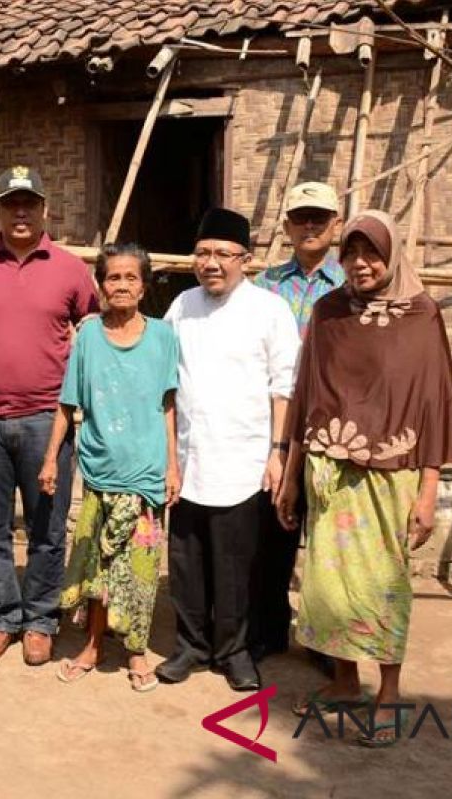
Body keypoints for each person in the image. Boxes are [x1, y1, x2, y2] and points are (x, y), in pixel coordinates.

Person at [277, 210, 452, 747]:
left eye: (371, 252)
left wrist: (428, 493)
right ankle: (343, 682)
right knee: (329, 586)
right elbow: (306, 397)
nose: (359, 263)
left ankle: (389, 694)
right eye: (351, 253)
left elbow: (435, 406)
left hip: (392, 476)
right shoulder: (329, 311)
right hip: (328, 472)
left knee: (384, 587)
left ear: (391, 254)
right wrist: (290, 478)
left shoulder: (422, 316)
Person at [0, 166, 99, 666]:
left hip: (46, 421)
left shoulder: (71, 269)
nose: (20, 212)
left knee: (46, 527)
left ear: (44, 210)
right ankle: (1, 618)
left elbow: (96, 329)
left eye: (29, 203)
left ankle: (39, 620)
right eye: (10, 203)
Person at [155, 208, 301, 692]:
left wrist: (278, 451)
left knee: (237, 566)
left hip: (245, 460)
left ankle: (233, 650)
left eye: (222, 253)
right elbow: (167, 385)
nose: (211, 263)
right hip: (191, 458)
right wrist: (170, 456)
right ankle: (191, 645)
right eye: (202, 253)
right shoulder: (181, 306)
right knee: (186, 563)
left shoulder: (269, 310)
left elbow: (285, 387)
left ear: (247, 260)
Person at [40, 243, 179, 692]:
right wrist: (50, 460)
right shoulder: (89, 338)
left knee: (140, 571)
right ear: (100, 284)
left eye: (130, 277)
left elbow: (168, 406)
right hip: (99, 473)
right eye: (113, 277)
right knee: (97, 569)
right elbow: (67, 405)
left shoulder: (162, 337)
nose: (121, 285)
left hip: (145, 475)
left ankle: (137, 651)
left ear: (144, 284)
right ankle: (95, 645)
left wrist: (173, 466)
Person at [248, 181, 345, 663]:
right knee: (273, 529)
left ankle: (324, 637)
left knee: (327, 533)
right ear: (286, 225)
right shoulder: (264, 286)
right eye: (301, 217)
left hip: (335, 425)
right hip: (278, 422)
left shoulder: (352, 284)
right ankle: (268, 628)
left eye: (319, 218)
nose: (310, 226)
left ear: (336, 224)